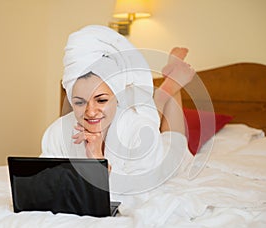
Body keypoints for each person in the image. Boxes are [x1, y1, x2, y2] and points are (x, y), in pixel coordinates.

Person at [41, 25, 196, 195]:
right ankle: (171, 81)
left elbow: (139, 191)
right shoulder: (58, 132)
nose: (90, 112)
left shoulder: (139, 130)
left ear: (118, 97)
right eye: (79, 102)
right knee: (140, 114)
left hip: (161, 159)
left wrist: (97, 159)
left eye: (101, 100)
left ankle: (173, 81)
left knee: (175, 140)